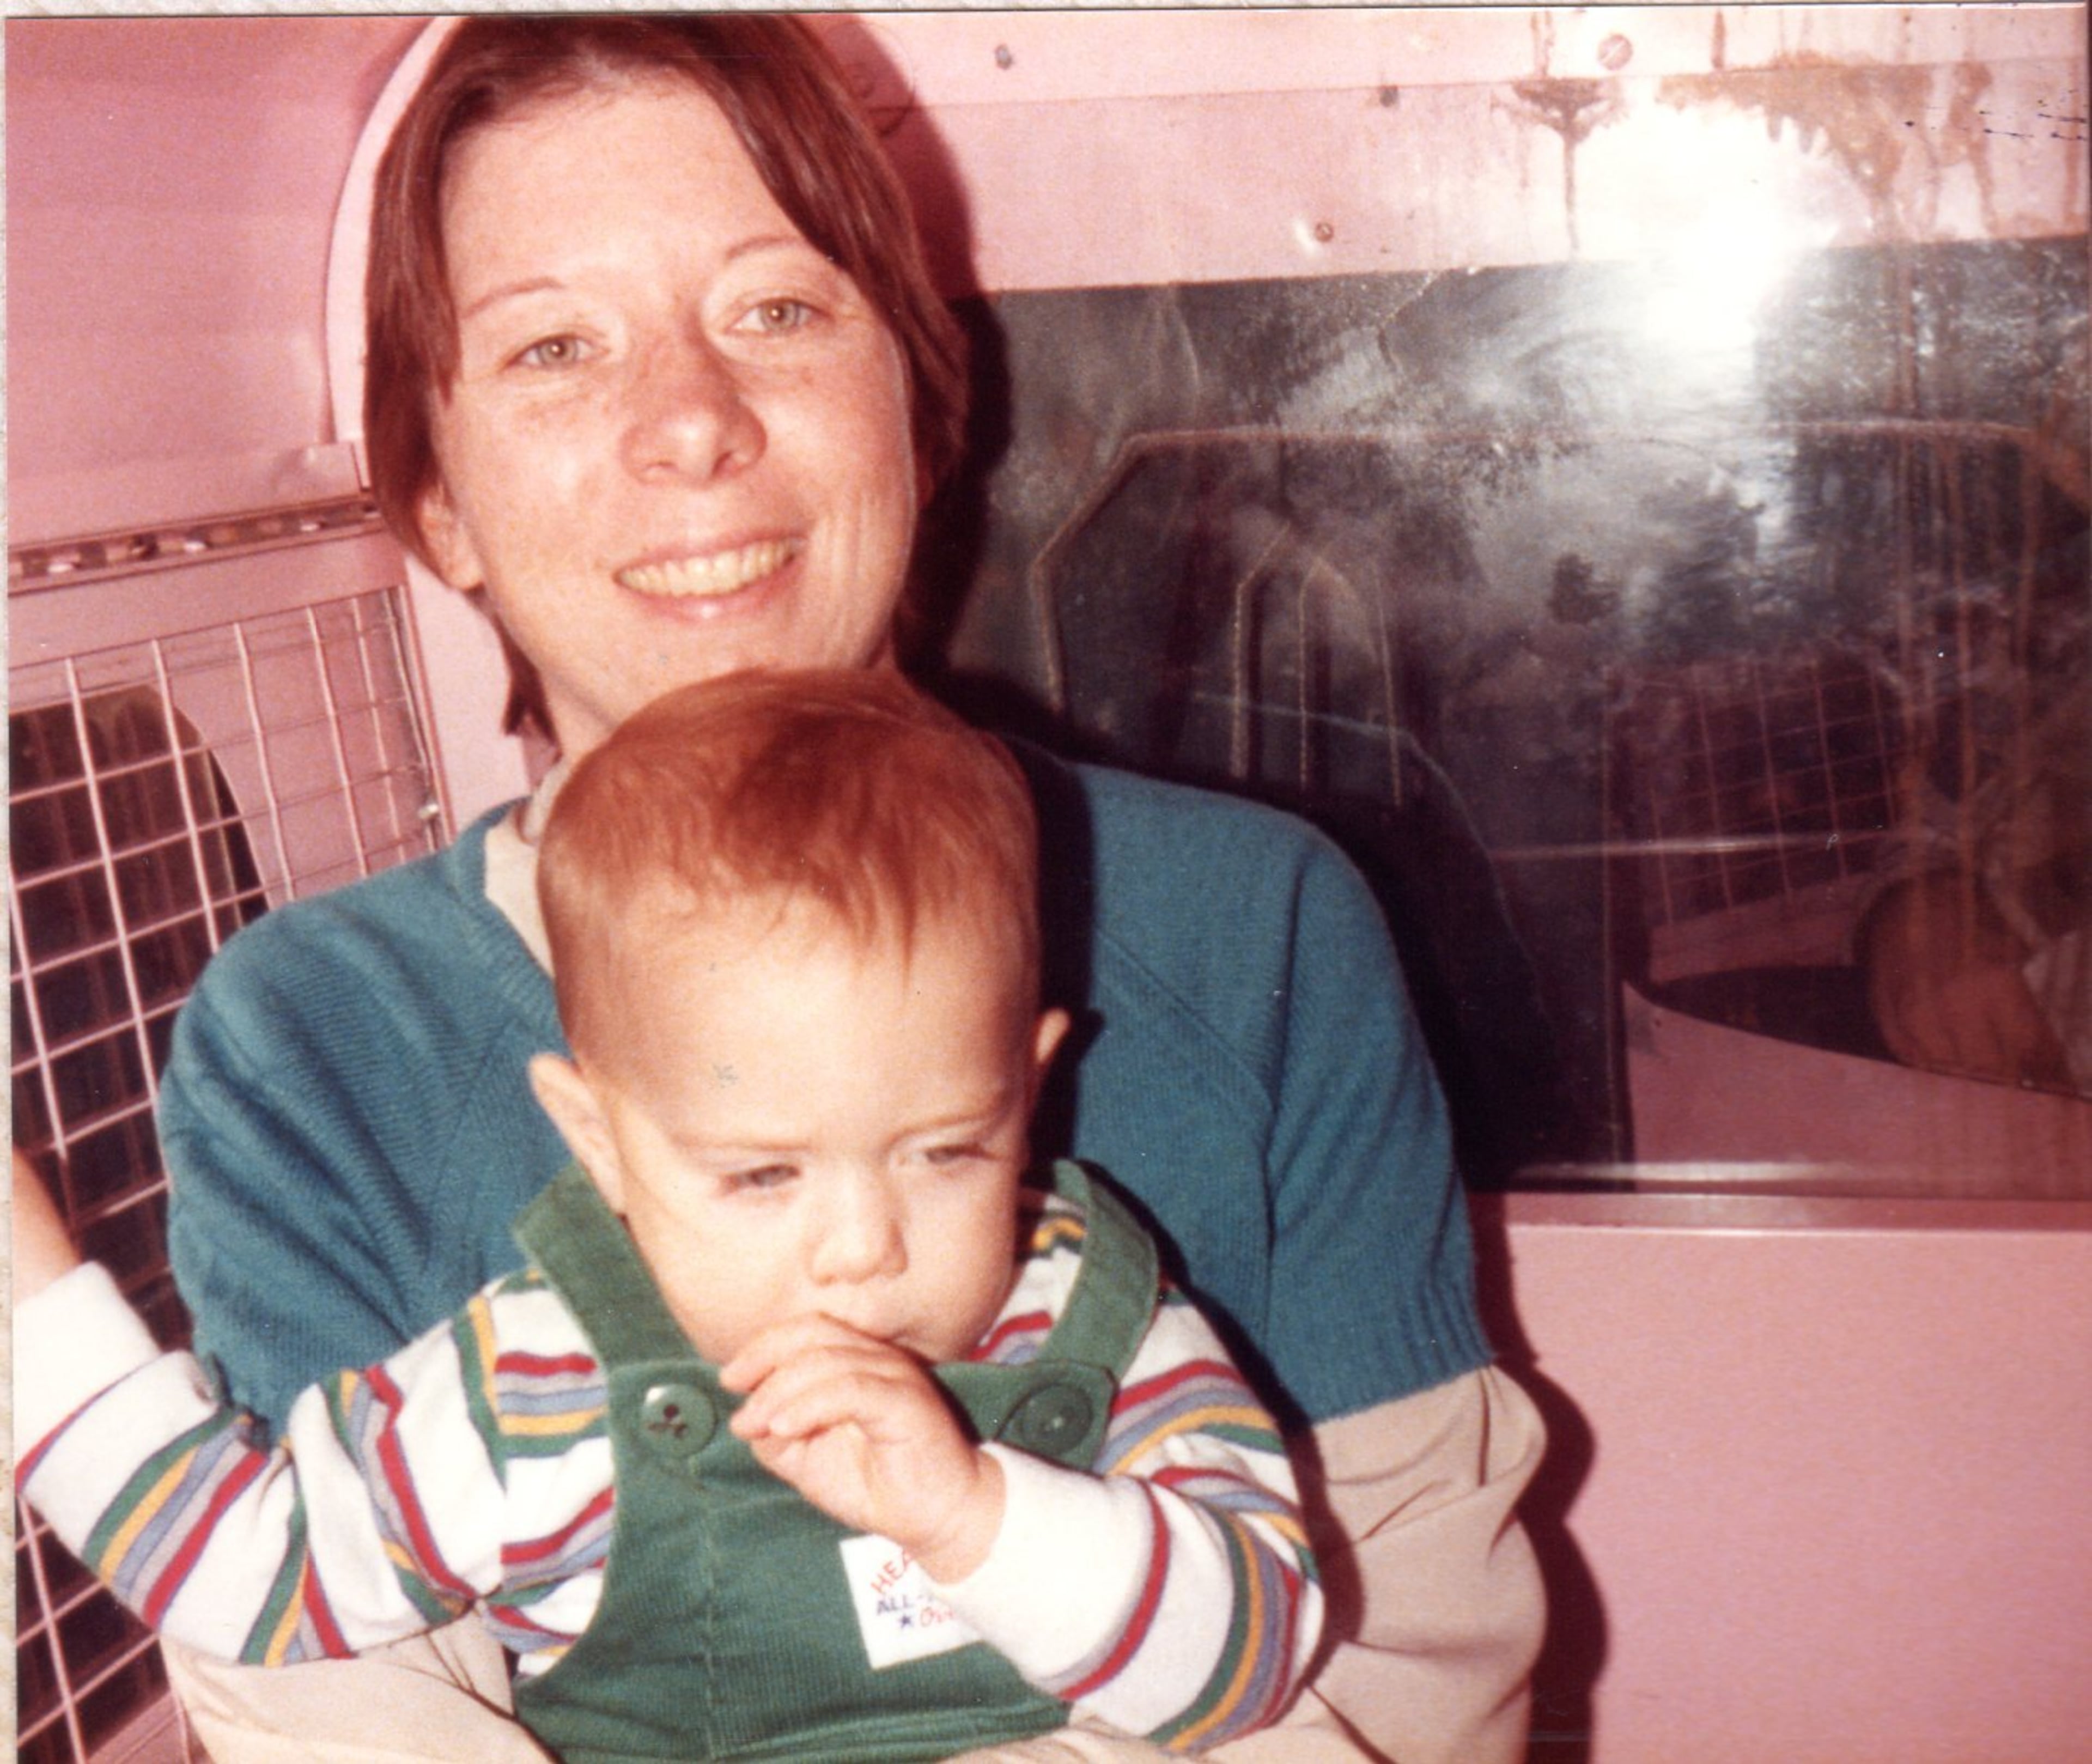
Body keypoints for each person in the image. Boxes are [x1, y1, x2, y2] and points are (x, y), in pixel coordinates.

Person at [153, 17, 1544, 1762]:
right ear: (440, 505)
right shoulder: (313, 1041)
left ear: (922, 394)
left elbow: (1415, 1636)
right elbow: (319, 1694)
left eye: (779, 309)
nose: (690, 423)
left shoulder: (1258, 927)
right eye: (556, 348)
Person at [17, 670, 1324, 1760]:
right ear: (602, 1140)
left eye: (945, 1150)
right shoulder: (541, 1383)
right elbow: (247, 1567)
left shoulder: (1106, 1323)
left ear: (1028, 1091)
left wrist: (978, 1515)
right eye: (764, 1175)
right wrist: (30, 1291)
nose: (865, 1247)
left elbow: (1261, 1654)